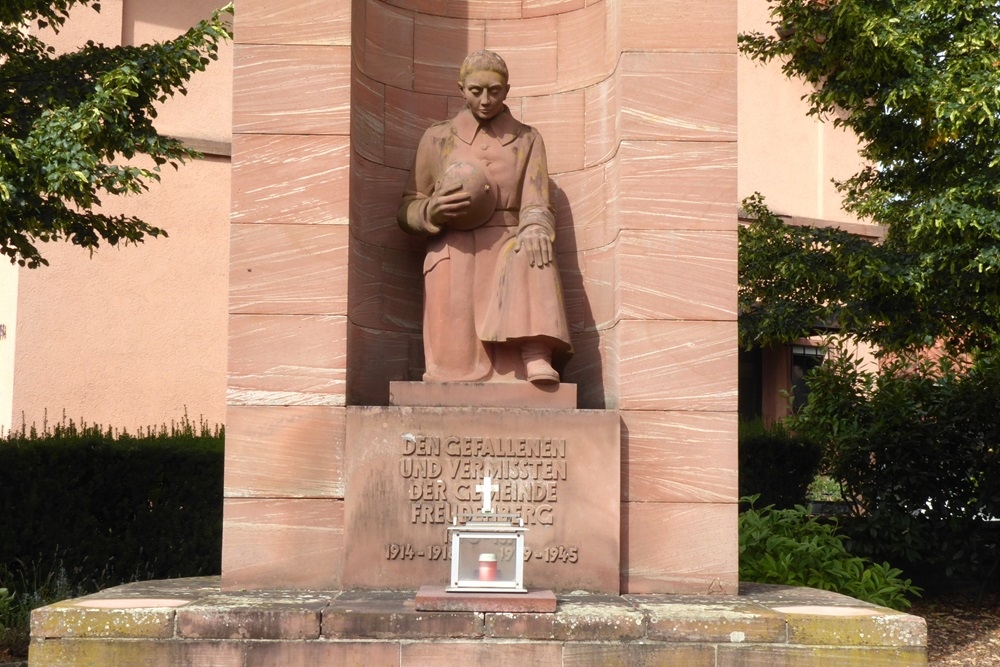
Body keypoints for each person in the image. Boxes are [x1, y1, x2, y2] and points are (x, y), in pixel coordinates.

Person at [397, 50, 572, 384]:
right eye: (476, 91)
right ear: (461, 89)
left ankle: (535, 353)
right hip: (453, 246)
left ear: (507, 90)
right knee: (453, 367)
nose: (486, 99)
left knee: (535, 245)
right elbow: (407, 207)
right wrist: (431, 211)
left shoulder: (528, 139)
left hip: (509, 241)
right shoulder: (437, 138)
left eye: (494, 90)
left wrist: (535, 226)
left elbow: (537, 202)